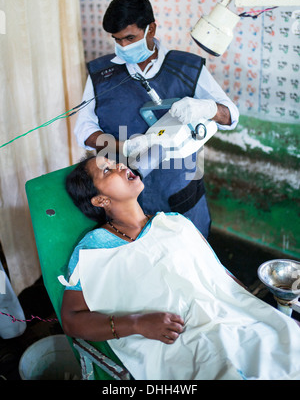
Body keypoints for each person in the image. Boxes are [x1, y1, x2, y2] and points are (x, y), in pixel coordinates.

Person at [60, 155, 300, 381]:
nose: (122, 167)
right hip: (173, 340)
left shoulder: (176, 223)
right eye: (107, 170)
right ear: (100, 200)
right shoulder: (93, 250)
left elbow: (219, 275)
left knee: (286, 344)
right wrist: (136, 323)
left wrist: (260, 312)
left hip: (227, 317)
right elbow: (71, 320)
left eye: (116, 162)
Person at [74, 0, 239, 239]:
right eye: (117, 40)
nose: (124, 47)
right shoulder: (102, 74)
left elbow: (231, 117)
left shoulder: (187, 68)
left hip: (181, 193)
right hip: (130, 204)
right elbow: (84, 132)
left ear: (151, 29)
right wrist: (125, 146)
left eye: (131, 38)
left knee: (192, 258)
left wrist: (208, 109)